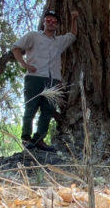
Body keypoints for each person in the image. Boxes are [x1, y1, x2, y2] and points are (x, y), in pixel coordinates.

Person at [12, 9, 78, 153]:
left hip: (52, 79)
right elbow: (16, 48)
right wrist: (24, 64)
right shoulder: (33, 36)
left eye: (54, 21)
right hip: (35, 78)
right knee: (30, 109)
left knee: (47, 111)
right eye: (48, 20)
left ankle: (39, 139)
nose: (51, 23)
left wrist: (73, 19)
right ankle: (26, 138)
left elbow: (72, 35)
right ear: (44, 21)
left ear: (57, 25)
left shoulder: (59, 41)